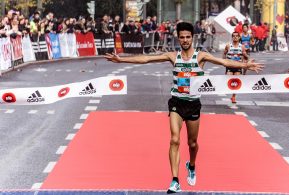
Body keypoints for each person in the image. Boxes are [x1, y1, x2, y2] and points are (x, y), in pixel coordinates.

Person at [105, 22, 263, 194]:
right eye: (182, 37)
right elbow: (147, 59)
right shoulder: (174, 56)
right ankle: (175, 180)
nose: (185, 40)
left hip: (193, 104)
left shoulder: (201, 56)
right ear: (178, 38)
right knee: (174, 139)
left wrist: (245, 65)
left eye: (188, 37)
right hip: (177, 103)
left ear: (192, 38)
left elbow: (223, 61)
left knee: (192, 143)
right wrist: (121, 59)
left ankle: (192, 165)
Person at [223, 31, 249, 104]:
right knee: (229, 80)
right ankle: (231, 94)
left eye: (236, 36)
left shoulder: (242, 46)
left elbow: (246, 57)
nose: (235, 37)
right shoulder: (228, 46)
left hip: (238, 66)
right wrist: (224, 62)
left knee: (236, 82)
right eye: (233, 36)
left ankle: (233, 96)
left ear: (239, 37)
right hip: (230, 66)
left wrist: (246, 58)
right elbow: (224, 54)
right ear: (232, 37)